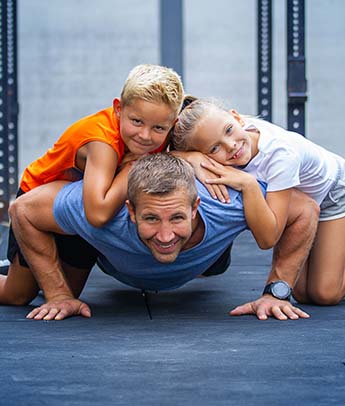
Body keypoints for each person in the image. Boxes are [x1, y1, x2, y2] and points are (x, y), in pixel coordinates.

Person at [6, 153, 319, 321]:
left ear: (196, 207)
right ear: (130, 210)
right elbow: (23, 209)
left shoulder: (226, 203)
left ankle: (214, 250)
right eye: (151, 218)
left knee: (214, 261)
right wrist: (58, 293)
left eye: (177, 217)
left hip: (205, 258)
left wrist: (276, 292)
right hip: (105, 251)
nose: (166, 234)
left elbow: (304, 209)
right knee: (16, 296)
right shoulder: (102, 210)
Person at [1, 64, 184, 298]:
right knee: (17, 294)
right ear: (118, 109)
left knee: (70, 291)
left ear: (173, 124)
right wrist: (129, 169)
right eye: (136, 122)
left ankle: (24, 266)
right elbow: (97, 215)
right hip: (39, 204)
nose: (145, 135)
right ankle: (19, 269)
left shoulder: (159, 127)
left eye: (158, 128)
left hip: (79, 211)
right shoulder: (102, 143)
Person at [170, 98, 345, 305]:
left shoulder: (280, 155)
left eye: (228, 130)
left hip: (335, 193)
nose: (231, 145)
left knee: (325, 294)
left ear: (236, 117)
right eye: (214, 149)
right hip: (304, 198)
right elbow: (162, 155)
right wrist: (186, 157)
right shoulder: (224, 139)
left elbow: (269, 237)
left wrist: (248, 184)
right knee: (303, 293)